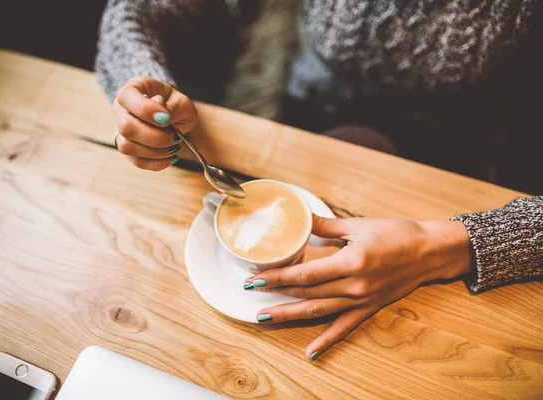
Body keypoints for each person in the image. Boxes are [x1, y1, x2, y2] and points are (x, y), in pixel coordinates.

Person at [95, 0, 543, 360]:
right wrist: (142, 93)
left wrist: (458, 244)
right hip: (301, 115)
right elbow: (137, 10)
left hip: (461, 152)